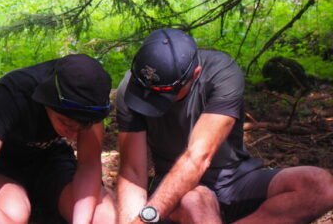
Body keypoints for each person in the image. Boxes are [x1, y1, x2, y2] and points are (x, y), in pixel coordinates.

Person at [116, 28, 333, 224]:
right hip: (178, 193)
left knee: (319, 185)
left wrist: (147, 218)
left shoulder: (221, 73)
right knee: (196, 202)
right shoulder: (130, 89)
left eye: (162, 95)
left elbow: (198, 156)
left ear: (195, 75)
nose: (149, 99)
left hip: (236, 180)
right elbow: (133, 171)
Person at [0, 54, 116, 224]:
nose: (71, 136)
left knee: (103, 216)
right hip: (2, 162)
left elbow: (88, 164)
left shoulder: (90, 98)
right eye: (65, 123)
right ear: (48, 100)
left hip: (51, 159)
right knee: (13, 212)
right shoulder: (12, 93)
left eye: (81, 128)